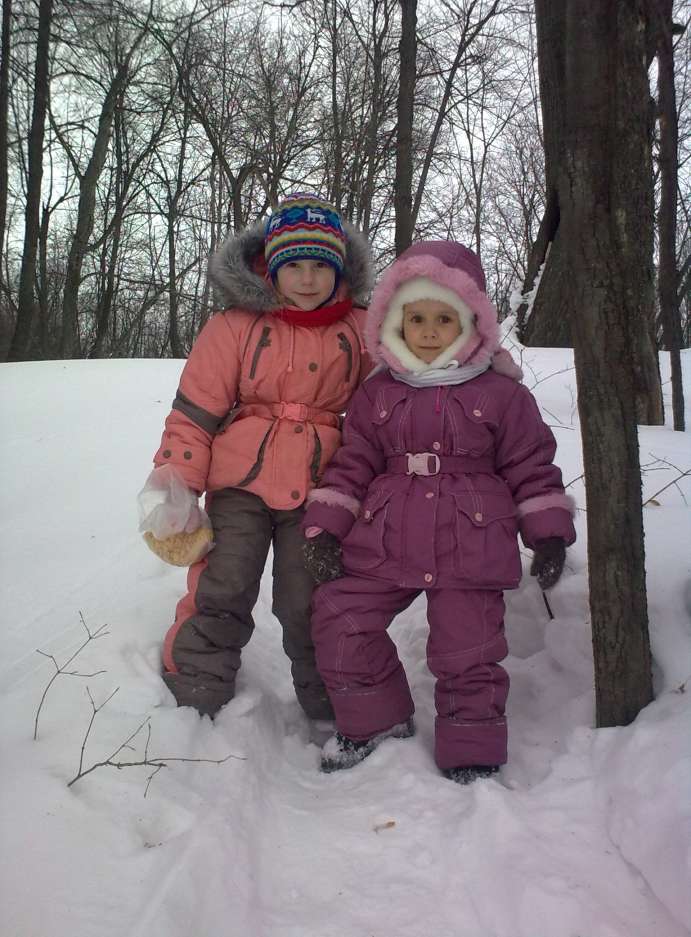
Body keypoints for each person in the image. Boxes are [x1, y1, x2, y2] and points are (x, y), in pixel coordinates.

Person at [302, 240, 576, 783]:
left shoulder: (502, 394)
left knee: (468, 649)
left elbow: (530, 466)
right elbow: (352, 464)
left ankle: (471, 747)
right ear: (394, 322)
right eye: (416, 318)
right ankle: (377, 719)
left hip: (470, 543)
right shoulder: (378, 393)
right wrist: (326, 528)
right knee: (340, 615)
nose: (428, 331)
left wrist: (547, 534)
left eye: (443, 318)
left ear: (471, 322)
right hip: (387, 537)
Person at [142, 193, 373, 728]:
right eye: (294, 266)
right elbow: (194, 413)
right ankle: (197, 680)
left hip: (321, 486)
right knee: (224, 582)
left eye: (321, 266)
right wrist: (178, 486)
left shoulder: (362, 330)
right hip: (240, 481)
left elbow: (391, 403)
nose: (308, 279)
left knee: (308, 597)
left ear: (339, 271)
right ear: (271, 268)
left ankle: (329, 698)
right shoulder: (234, 326)